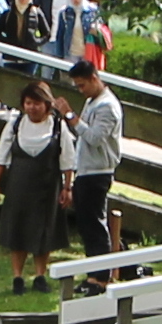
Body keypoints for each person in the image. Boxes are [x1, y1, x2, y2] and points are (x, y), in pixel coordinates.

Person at [0, 76, 68, 290]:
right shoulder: (15, 125)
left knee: (43, 230)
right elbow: (1, 155)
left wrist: (67, 187)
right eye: (28, 103)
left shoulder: (58, 126)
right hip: (19, 185)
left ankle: (39, 276)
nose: (32, 107)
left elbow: (68, 159)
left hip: (47, 186)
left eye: (36, 103)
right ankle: (18, 277)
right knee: (18, 229)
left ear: (46, 104)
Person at [60, 66, 126, 256]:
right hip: (86, 171)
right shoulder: (92, 101)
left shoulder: (107, 106)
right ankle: (100, 269)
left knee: (94, 227)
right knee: (87, 225)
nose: (80, 90)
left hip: (98, 173)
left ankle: (101, 270)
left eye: (82, 85)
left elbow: (95, 138)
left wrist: (70, 115)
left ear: (94, 78)